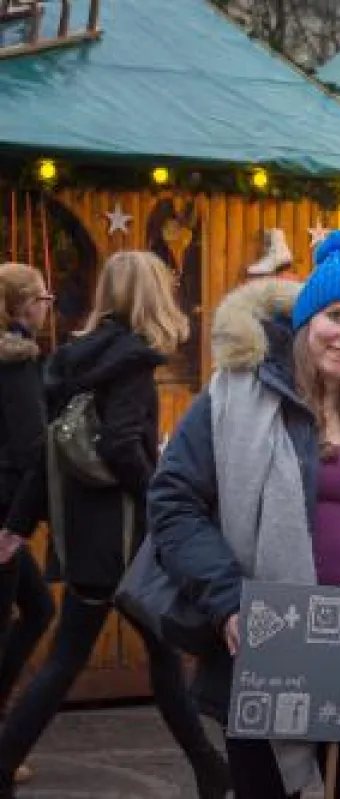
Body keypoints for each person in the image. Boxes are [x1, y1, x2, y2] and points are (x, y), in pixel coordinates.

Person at [149, 231, 340, 798]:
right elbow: (174, 503)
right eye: (336, 316)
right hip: (270, 649)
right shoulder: (238, 393)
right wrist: (227, 603)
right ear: (306, 318)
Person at [0, 252, 230, 798]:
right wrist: (163, 502)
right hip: (127, 539)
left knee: (144, 656)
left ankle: (208, 769)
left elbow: (49, 453)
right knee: (91, 658)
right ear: (151, 295)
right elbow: (122, 444)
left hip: (86, 538)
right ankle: (208, 768)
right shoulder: (132, 362)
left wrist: (19, 524)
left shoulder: (67, 359)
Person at [0, 264, 57, 787]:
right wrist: (17, 526)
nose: (48, 305)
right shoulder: (17, 362)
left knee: (37, 608)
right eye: (43, 297)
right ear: (22, 306)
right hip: (3, 520)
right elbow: (29, 450)